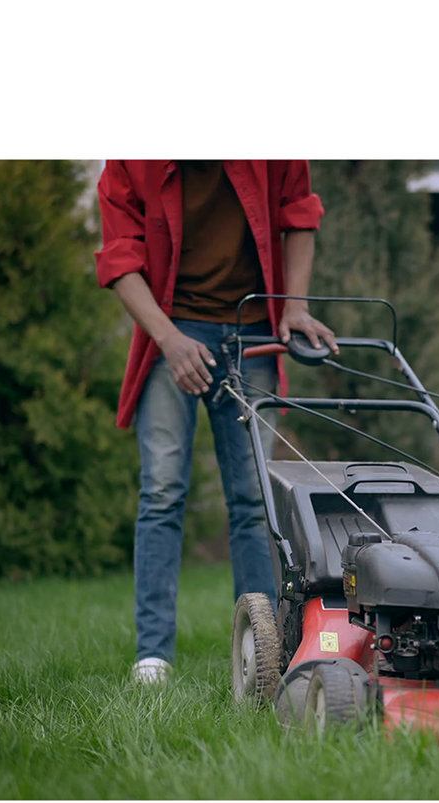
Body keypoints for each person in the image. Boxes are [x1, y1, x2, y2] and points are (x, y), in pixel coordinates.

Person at [95, 157, 338, 684]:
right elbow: (119, 259)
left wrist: (294, 306)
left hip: (252, 329)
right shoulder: (129, 163)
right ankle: (153, 657)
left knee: (254, 500)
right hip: (170, 328)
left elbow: (298, 213)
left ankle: (262, 651)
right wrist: (169, 340)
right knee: (162, 493)